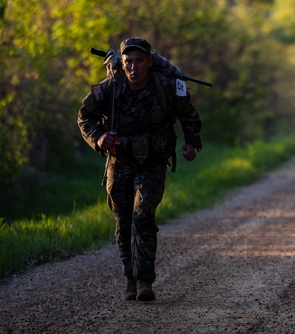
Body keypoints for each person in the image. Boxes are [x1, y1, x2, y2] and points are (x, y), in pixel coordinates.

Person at [78, 37, 203, 302]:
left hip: (152, 162)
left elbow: (189, 114)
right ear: (122, 65)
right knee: (123, 221)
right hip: (119, 162)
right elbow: (84, 117)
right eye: (128, 62)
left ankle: (145, 281)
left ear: (149, 62)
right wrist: (99, 138)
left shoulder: (165, 87)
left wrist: (192, 143)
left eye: (138, 61)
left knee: (143, 214)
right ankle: (130, 280)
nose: (133, 67)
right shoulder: (110, 88)